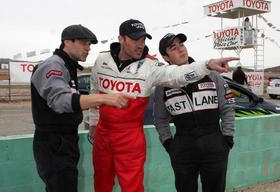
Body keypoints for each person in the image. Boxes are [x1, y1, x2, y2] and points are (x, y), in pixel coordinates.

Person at [88, 19, 239, 192]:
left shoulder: (152, 67)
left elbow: (178, 74)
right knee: (101, 182)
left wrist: (206, 65)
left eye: (143, 40)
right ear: (121, 39)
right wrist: (93, 121)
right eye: (135, 39)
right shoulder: (101, 59)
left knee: (132, 187)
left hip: (134, 136)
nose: (140, 44)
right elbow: (95, 89)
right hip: (106, 134)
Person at [31, 24, 129, 192]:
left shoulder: (67, 65)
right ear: (68, 42)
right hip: (53, 142)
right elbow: (60, 101)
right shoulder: (53, 66)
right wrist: (104, 98)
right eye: (84, 43)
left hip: (64, 140)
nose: (88, 48)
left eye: (90, 44)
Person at [153, 33, 235, 192]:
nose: (181, 50)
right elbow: (160, 119)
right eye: (173, 48)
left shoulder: (210, 74)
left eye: (181, 45)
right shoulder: (162, 85)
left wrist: (227, 138)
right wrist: (169, 144)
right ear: (165, 57)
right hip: (183, 145)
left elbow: (228, 108)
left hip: (214, 142)